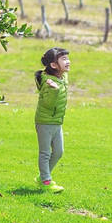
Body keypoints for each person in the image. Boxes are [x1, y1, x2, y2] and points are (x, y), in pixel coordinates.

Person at [35, 47, 70, 193]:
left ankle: (43, 177)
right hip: (45, 122)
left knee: (59, 152)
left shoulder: (62, 77)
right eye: (63, 59)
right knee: (45, 153)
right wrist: (54, 89)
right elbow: (48, 104)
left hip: (57, 121)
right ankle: (45, 181)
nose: (68, 61)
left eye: (67, 58)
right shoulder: (48, 83)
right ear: (54, 65)